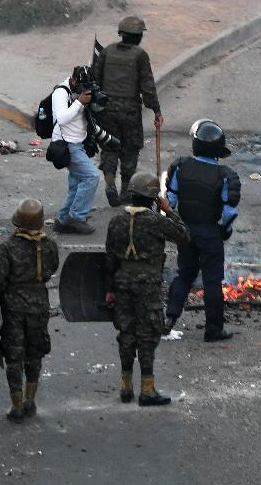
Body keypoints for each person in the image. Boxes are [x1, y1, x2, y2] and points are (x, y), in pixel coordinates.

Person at [105, 172, 190, 406]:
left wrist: (109, 288)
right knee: (148, 334)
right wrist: (169, 209)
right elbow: (184, 236)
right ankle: (147, 389)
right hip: (147, 285)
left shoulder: (116, 221)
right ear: (153, 199)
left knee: (126, 333)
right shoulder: (156, 220)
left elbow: (110, 258)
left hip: (122, 282)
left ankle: (125, 386)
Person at [164, 119, 241, 342]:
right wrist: (224, 230)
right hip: (210, 233)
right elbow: (229, 212)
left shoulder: (180, 165)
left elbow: (170, 201)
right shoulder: (226, 175)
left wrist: (172, 224)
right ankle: (213, 329)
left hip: (185, 231)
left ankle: (169, 319)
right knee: (212, 281)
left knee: (184, 275)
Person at [0, 199, 60, 422]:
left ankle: (16, 406)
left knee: (14, 356)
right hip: (39, 305)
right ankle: (30, 401)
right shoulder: (50, 246)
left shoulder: (6, 248)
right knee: (35, 353)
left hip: (13, 308)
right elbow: (51, 270)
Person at [95, 15, 164, 207]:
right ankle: (126, 190)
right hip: (130, 111)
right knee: (130, 150)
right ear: (138, 36)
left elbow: (95, 79)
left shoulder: (107, 51)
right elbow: (147, 86)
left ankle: (109, 183)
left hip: (107, 110)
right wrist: (156, 110)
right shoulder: (140, 55)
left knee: (109, 147)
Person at [51, 65, 102, 234]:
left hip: (78, 143)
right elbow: (62, 118)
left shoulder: (83, 91)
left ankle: (63, 219)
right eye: (81, 85)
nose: (84, 89)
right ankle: (77, 217)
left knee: (76, 184)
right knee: (91, 176)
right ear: (73, 80)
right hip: (66, 145)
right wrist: (80, 102)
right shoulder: (61, 92)